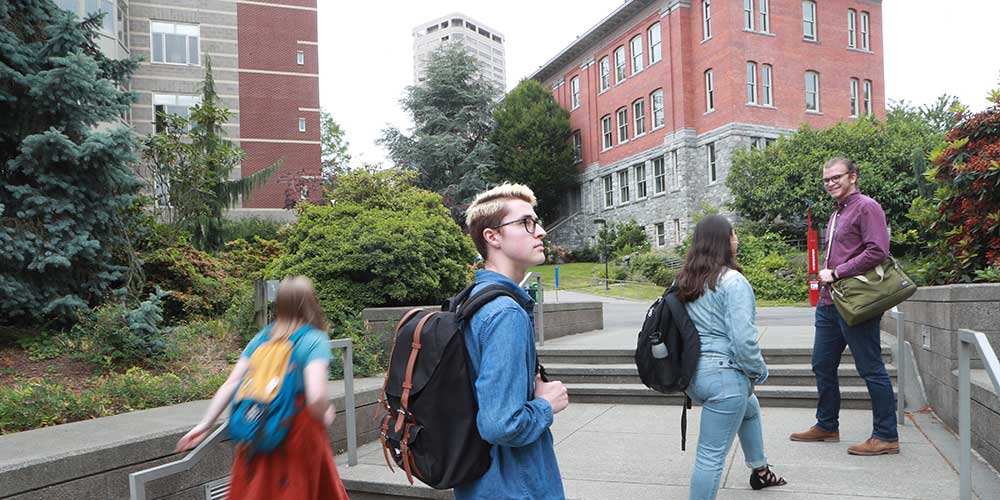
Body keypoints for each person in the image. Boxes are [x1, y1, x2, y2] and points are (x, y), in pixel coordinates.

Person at [175, 276, 349, 500]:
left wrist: (204, 425)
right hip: (297, 432)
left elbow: (231, 384)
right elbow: (316, 396)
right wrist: (325, 414)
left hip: (258, 429)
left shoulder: (262, 338)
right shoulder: (314, 340)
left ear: (280, 304)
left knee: (256, 491)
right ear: (311, 303)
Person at [456, 183, 569, 500]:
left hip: (483, 481)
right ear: (492, 237)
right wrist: (547, 404)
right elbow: (500, 424)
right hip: (514, 486)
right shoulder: (505, 313)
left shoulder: (476, 299)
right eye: (526, 223)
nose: (541, 231)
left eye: (537, 221)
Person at [790, 157, 900, 455]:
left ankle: (887, 435)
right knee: (821, 364)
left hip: (855, 303)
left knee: (870, 367)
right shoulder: (837, 212)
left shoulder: (867, 206)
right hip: (829, 302)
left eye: (836, 177)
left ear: (853, 176)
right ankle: (827, 425)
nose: (830, 183)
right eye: (826, 180)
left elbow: (878, 250)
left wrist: (837, 273)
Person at [677, 215, 787, 500]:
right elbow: (743, 341)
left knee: (750, 408)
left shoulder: (687, 280)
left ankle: (760, 470)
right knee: (710, 457)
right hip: (725, 378)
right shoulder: (732, 281)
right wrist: (759, 370)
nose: (737, 239)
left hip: (694, 375)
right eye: (734, 233)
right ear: (724, 241)